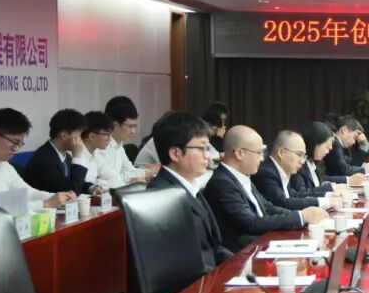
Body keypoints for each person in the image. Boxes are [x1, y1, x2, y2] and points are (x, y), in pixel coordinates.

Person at [203, 126, 328, 253]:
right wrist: (300, 217)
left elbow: (267, 207)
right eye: (259, 153)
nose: (262, 158)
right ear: (239, 153)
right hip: (242, 254)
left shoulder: (242, 176)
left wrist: (303, 215)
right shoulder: (222, 183)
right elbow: (251, 223)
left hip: (260, 245)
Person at [148, 112, 232, 271]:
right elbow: (185, 262)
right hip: (195, 282)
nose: (208, 157)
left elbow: (214, 248)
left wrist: (240, 264)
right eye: (201, 148)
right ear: (175, 153)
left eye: (208, 149)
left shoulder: (190, 186)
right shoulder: (161, 197)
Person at [252, 130, 342, 209]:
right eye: (299, 155)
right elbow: (283, 203)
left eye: (303, 156)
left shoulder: (279, 170)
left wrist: (328, 196)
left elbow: (294, 195)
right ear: (281, 152)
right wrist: (325, 202)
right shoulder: (266, 173)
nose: (302, 161)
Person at [25, 109, 98, 196]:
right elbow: (71, 192)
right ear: (64, 135)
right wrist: (77, 157)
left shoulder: (65, 156)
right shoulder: (45, 159)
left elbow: (73, 182)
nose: (80, 140)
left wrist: (91, 187)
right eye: (78, 135)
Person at [96, 96, 156, 187]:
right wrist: (145, 173)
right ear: (115, 125)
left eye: (134, 126)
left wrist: (149, 172)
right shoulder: (100, 146)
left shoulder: (118, 145)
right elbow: (103, 181)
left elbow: (129, 170)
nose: (133, 131)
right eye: (130, 126)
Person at [293, 121, 366, 192]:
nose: (328, 151)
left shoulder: (314, 162)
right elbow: (302, 193)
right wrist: (333, 187)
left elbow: (322, 179)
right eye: (327, 147)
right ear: (315, 143)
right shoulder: (299, 165)